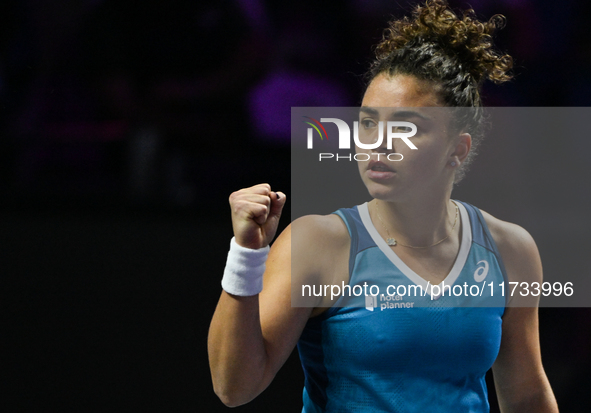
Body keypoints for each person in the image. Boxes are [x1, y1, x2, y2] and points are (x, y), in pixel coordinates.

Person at [208, 1, 559, 411]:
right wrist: (246, 255)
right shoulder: (318, 243)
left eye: (407, 127)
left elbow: (527, 394)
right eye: (369, 122)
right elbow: (234, 387)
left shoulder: (510, 248)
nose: (379, 142)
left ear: (457, 149)